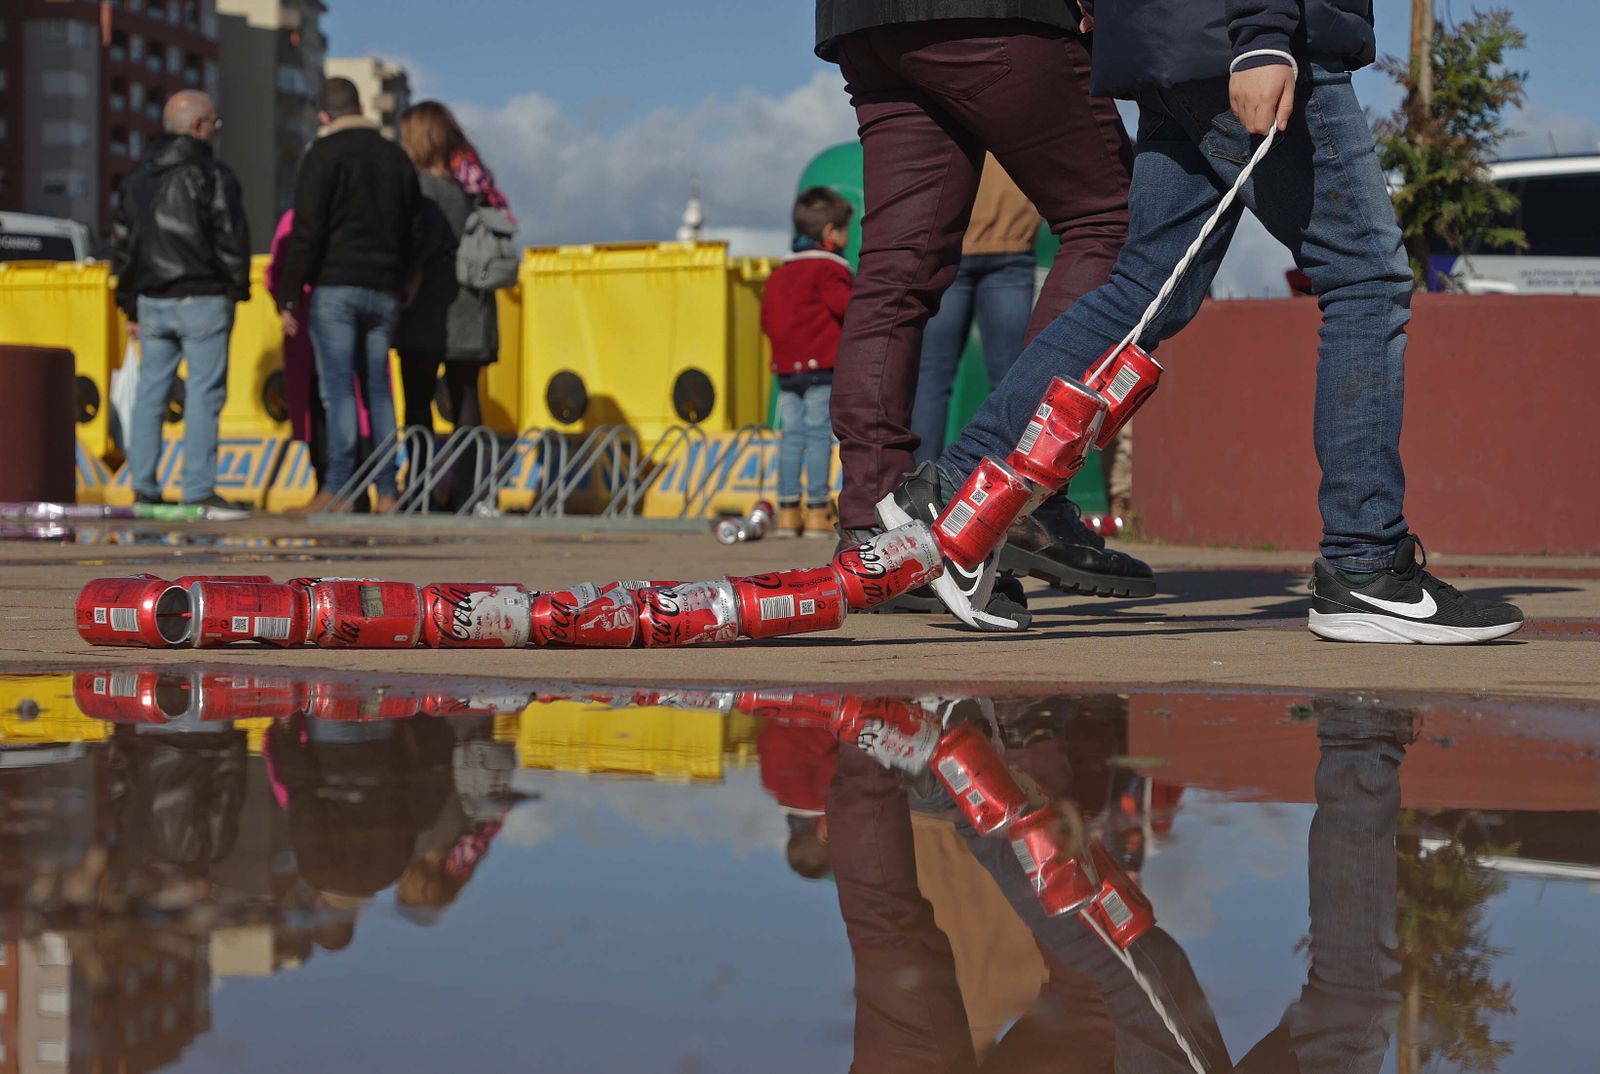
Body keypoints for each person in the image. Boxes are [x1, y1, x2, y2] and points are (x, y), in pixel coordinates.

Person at [890, 0, 1525, 643]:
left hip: (1170, 43)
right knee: (1366, 278)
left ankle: (951, 486)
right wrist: (1262, 38)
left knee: (1143, 290)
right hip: (1245, 37)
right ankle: (1366, 565)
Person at [814, 3, 1156, 610]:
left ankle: (873, 529)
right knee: (1112, 222)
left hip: (867, 21)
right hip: (997, 14)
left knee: (896, 267)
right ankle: (1018, 502)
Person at [273, 77, 430, 515]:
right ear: (360, 105)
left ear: (324, 115)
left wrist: (288, 295)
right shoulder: (395, 157)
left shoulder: (321, 155)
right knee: (379, 389)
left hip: (335, 287)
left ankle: (337, 488)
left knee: (339, 390)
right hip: (384, 289)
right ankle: (387, 491)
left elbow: (307, 229)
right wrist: (408, 277)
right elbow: (417, 228)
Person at [111, 89, 249, 509]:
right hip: (203, 296)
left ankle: (144, 486)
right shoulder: (212, 174)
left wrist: (130, 303)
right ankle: (197, 489)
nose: (216, 130)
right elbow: (231, 238)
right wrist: (235, 288)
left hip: (152, 299)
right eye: (214, 124)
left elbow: (124, 247)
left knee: (151, 392)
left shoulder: (137, 180)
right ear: (197, 126)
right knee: (204, 395)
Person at [394, 101, 510, 508]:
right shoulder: (476, 186)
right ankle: (467, 490)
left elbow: (414, 244)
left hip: (428, 303)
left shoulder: (419, 187)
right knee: (466, 397)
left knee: (418, 399)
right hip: (473, 304)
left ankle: (420, 487)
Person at [910, 154, 1041, 466]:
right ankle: (1007, 491)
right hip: (1012, 237)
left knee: (932, 377)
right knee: (1012, 379)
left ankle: (920, 489)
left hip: (949, 240)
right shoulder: (1020, 105)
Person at [760, 186, 854, 537]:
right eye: (845, 231)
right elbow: (847, 307)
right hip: (821, 367)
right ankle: (816, 510)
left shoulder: (782, 273)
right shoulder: (830, 270)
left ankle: (787, 512)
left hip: (787, 368)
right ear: (831, 233)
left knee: (791, 437)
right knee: (817, 437)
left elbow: (767, 317)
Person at [265, 209, 376, 493]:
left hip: (308, 317)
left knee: (323, 402)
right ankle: (350, 487)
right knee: (348, 401)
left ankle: (333, 486)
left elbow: (276, 270)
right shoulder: (356, 216)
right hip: (325, 320)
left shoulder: (296, 218)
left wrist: (286, 301)